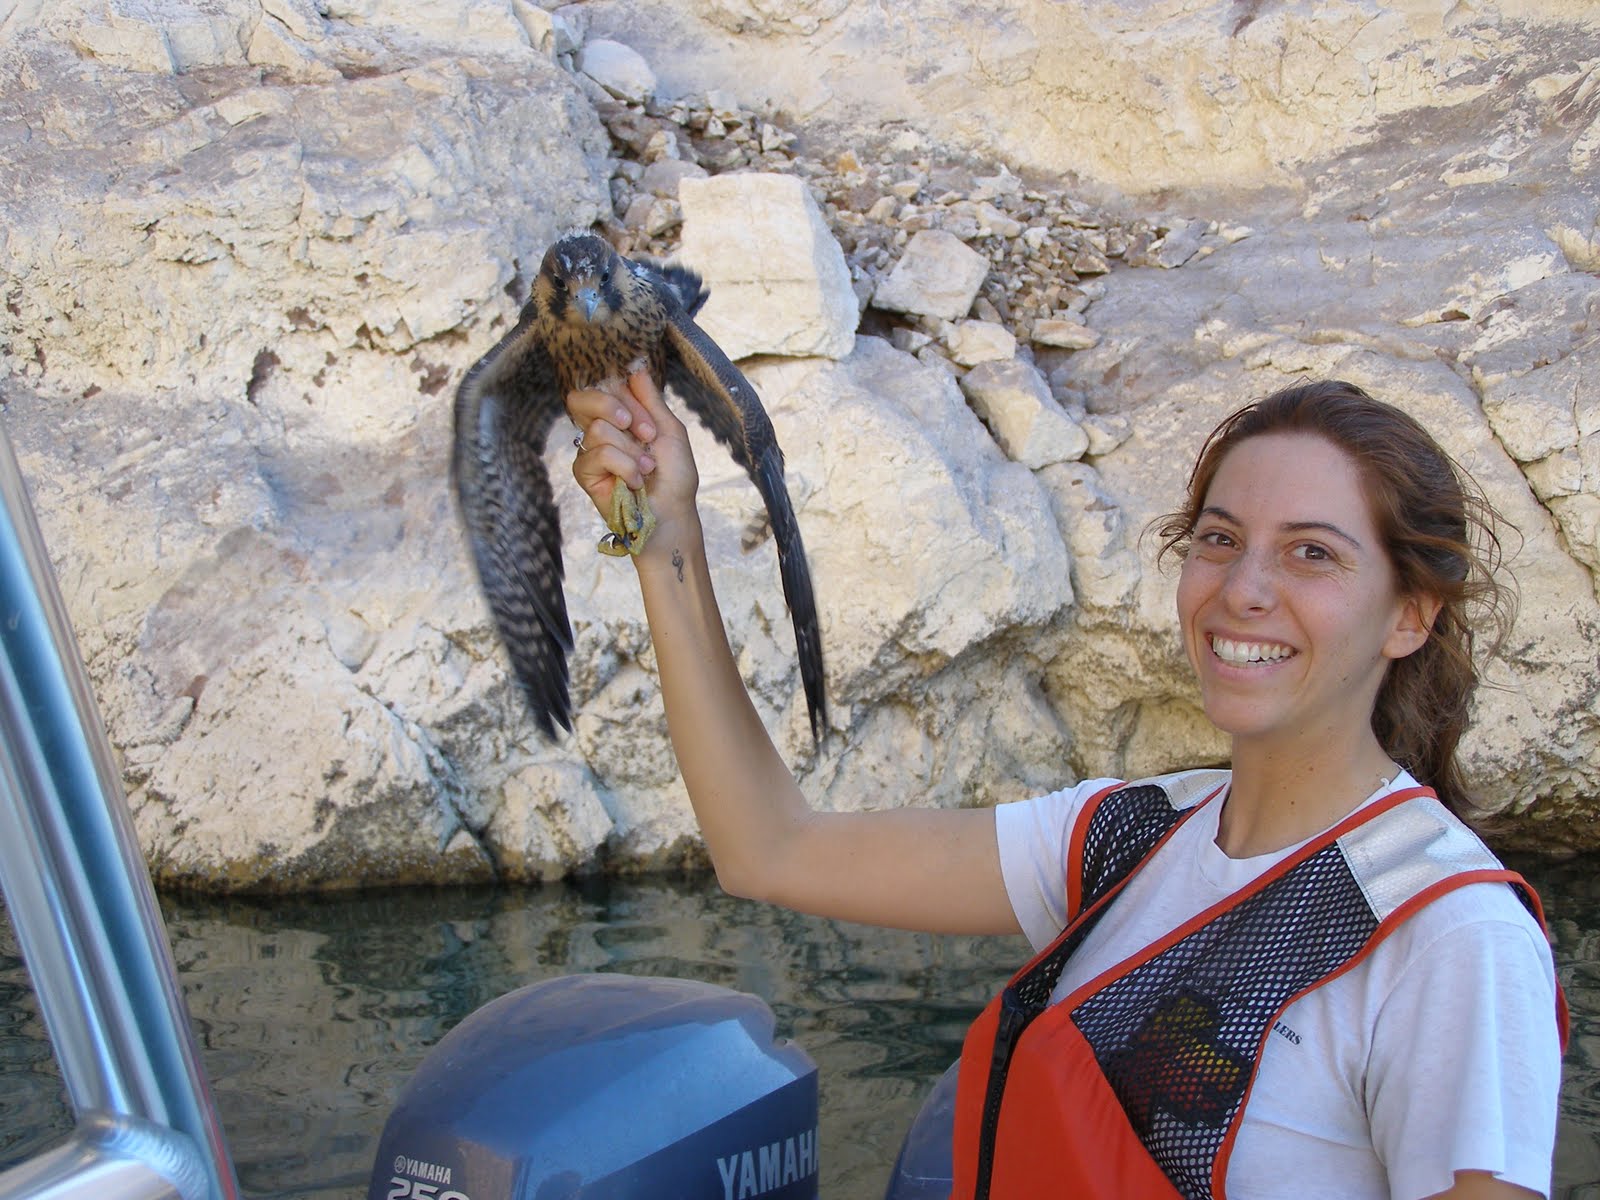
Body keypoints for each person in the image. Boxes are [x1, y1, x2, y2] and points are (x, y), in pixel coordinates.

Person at [565, 372, 1565, 1200]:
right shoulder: (1126, 837)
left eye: (1313, 554)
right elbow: (768, 849)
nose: (1243, 589)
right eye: (1219, 539)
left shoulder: (1453, 936)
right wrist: (665, 536)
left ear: (1410, 615)